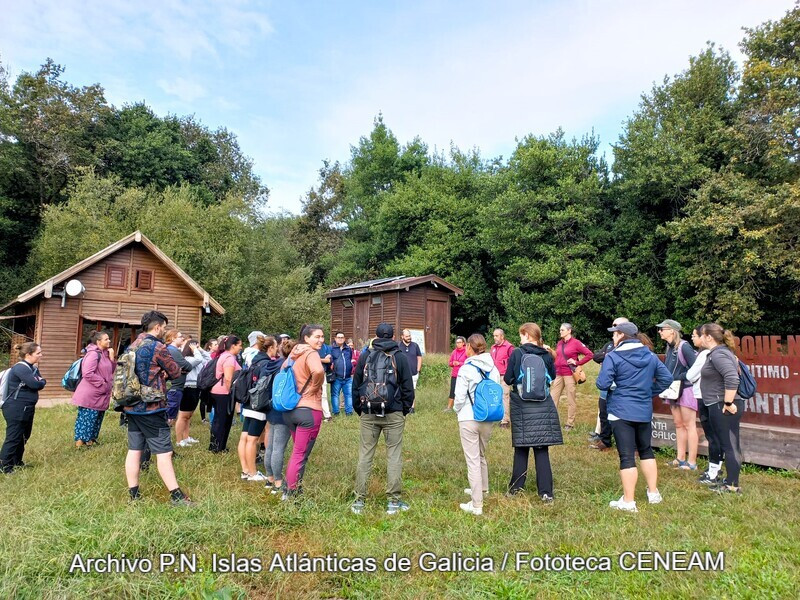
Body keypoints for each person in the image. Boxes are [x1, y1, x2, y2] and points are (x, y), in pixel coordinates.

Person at [596, 321, 673, 512]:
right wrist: (648, 391)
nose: (613, 337)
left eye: (615, 334)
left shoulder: (613, 357)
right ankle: (653, 493)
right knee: (646, 450)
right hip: (643, 410)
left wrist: (618, 387)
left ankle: (629, 502)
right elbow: (667, 379)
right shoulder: (650, 355)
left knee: (626, 456)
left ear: (622, 335)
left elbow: (602, 383)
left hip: (620, 410)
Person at [121, 311, 191, 505]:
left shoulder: (132, 346)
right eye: (164, 327)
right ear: (157, 326)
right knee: (164, 452)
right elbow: (176, 372)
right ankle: (176, 495)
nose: (164, 331)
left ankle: (134, 496)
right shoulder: (157, 346)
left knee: (134, 450)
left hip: (131, 405)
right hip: (151, 407)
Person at [350, 323, 415, 515]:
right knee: (393, 455)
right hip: (394, 413)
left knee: (365, 455)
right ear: (393, 336)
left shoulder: (365, 356)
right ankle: (393, 503)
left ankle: (359, 501)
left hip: (368, 412)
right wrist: (404, 409)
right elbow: (408, 388)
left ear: (376, 336)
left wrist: (359, 409)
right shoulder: (400, 357)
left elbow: (356, 385)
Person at [504, 323, 562, 501]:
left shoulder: (517, 353)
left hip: (522, 404)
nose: (520, 338)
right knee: (541, 448)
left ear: (528, 335)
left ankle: (515, 489)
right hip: (543, 404)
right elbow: (552, 377)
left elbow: (508, 378)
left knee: (521, 448)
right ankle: (546, 493)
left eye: (521, 335)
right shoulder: (546, 355)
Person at [454, 333, 500, 515]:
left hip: (468, 417)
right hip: (488, 417)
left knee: (472, 460)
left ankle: (476, 504)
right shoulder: (493, 368)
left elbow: (459, 397)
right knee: (481, 455)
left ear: (470, 348)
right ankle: (483, 488)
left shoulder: (466, 369)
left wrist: (458, 410)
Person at [697, 323, 744, 494]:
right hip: (718, 404)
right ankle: (730, 481)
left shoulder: (719, 354)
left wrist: (728, 403)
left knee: (729, 444)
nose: (700, 338)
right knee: (729, 444)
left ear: (709, 337)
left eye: (701, 334)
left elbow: (732, 378)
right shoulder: (718, 353)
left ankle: (732, 485)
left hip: (723, 405)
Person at [282, 324, 326, 500]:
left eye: (322, 336)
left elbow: (282, 373)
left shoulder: (292, 355)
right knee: (300, 454)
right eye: (317, 336)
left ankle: (293, 487)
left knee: (298, 453)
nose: (321, 340)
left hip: (290, 411)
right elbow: (318, 370)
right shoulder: (311, 353)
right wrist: (314, 387)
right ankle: (291, 493)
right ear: (306, 338)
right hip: (309, 410)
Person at [657, 319, 699, 470]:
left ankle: (692, 462)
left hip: (686, 389)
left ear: (672, 331)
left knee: (689, 425)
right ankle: (680, 458)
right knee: (678, 424)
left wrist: (679, 377)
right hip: (673, 390)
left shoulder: (684, 346)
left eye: (663, 329)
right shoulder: (669, 347)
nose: (660, 331)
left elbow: (695, 369)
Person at [238, 335, 281, 481]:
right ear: (270, 348)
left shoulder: (254, 361)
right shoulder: (267, 364)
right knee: (252, 439)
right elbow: (264, 386)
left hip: (248, 402)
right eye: (276, 347)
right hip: (259, 405)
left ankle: (245, 470)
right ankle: (252, 473)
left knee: (244, 437)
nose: (277, 350)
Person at [0, 342, 46, 473]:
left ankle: (17, 462)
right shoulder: (21, 368)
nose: (41, 355)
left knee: (24, 436)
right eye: (38, 353)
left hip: (26, 407)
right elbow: (36, 384)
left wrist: (40, 381)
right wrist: (40, 381)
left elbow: (40, 381)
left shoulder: (31, 368)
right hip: (16, 408)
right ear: (28, 354)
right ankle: (4, 466)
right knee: (13, 437)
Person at [589, 318, 629, 451]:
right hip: (607, 386)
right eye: (613, 326)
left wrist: (607, 358)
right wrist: (607, 357)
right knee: (603, 412)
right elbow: (596, 356)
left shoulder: (631, 346)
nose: (613, 330)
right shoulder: (609, 345)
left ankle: (626, 443)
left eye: (616, 327)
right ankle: (605, 440)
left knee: (623, 415)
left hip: (622, 387)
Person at [71, 330, 115, 447]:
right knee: (87, 418)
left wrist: (111, 358)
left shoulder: (104, 354)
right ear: (98, 341)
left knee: (96, 418)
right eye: (106, 339)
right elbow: (87, 373)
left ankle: (90, 440)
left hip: (100, 393)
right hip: (91, 393)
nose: (109, 340)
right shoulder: (93, 354)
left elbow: (110, 370)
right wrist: (103, 383)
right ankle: (80, 444)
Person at [686, 327, 718, 485]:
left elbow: (690, 375)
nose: (692, 338)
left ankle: (714, 471)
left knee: (712, 436)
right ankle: (714, 468)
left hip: (705, 396)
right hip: (709, 396)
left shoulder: (704, 354)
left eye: (694, 335)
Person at [265, 337, 296, 494]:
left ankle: (269, 478)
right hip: (284, 408)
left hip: (272, 407)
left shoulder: (272, 363)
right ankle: (278, 481)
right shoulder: (289, 366)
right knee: (279, 447)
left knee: (270, 445)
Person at [551, 323, 593, 431]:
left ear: (569, 331)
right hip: (559, 373)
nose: (560, 332)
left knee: (571, 399)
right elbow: (558, 357)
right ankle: (552, 421)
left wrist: (577, 362)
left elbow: (589, 354)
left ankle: (570, 423)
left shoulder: (576, 343)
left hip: (569, 373)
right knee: (553, 397)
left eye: (562, 330)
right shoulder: (560, 343)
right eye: (560, 330)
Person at [208, 335, 243, 454]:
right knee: (223, 420)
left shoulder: (223, 356)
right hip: (224, 393)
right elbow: (228, 378)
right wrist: (231, 393)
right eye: (239, 345)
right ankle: (218, 448)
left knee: (219, 419)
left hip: (217, 391)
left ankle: (216, 446)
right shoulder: (229, 358)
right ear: (233, 346)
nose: (241, 347)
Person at [164, 330, 204, 429]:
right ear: (173, 338)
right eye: (180, 336)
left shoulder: (173, 350)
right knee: (170, 414)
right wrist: (180, 369)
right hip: (174, 387)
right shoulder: (173, 351)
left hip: (177, 386)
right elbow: (188, 366)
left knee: (173, 414)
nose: (183, 338)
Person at [179, 340, 212, 446]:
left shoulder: (198, 357)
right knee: (183, 416)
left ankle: (186, 437)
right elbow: (198, 359)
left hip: (196, 387)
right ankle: (179, 441)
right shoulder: (187, 359)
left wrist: (201, 350)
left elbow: (209, 359)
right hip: (188, 388)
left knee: (189, 416)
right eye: (195, 347)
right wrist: (195, 350)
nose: (197, 349)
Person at [490, 328, 515, 429]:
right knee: (496, 397)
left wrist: (511, 375)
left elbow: (513, 362)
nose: (494, 338)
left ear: (502, 336)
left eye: (496, 336)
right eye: (494, 336)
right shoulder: (493, 347)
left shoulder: (509, 347)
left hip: (504, 375)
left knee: (505, 396)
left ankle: (505, 420)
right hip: (494, 375)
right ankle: (497, 416)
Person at [330, 331, 354, 416]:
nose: (340, 339)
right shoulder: (331, 349)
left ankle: (349, 412)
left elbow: (349, 359)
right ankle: (336, 412)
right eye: (338, 337)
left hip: (348, 377)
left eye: (342, 337)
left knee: (349, 395)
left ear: (344, 339)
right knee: (335, 395)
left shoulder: (348, 349)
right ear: (335, 338)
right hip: (336, 377)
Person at [399, 329, 423, 412]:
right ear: (402, 337)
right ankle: (402, 406)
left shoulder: (415, 346)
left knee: (412, 390)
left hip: (413, 372)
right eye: (407, 336)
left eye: (409, 336)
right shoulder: (398, 346)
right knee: (401, 390)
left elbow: (419, 357)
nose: (409, 337)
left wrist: (418, 369)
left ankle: (411, 407)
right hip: (401, 373)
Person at [198, 338, 218, 424]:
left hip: (213, 380)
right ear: (210, 346)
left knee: (211, 399)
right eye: (215, 344)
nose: (217, 346)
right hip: (205, 380)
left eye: (217, 344)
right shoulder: (206, 355)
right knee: (203, 399)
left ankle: (211, 416)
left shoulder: (218, 355)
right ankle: (203, 418)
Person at [445, 337, 468, 412]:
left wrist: (459, 363)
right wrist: (453, 363)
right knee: (453, 390)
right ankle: (449, 407)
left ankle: (463, 407)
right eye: (457, 342)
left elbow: (468, 362)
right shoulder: (454, 352)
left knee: (463, 391)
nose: (458, 344)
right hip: (455, 374)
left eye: (459, 342)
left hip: (463, 375)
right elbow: (450, 363)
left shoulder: (467, 351)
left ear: (463, 343)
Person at [317, 335, 333, 423]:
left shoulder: (326, 347)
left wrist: (318, 359)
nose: (320, 339)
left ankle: (327, 415)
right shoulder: (311, 348)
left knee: (323, 395)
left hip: (322, 373)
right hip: (310, 375)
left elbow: (329, 360)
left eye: (322, 337)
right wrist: (323, 359)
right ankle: (316, 415)